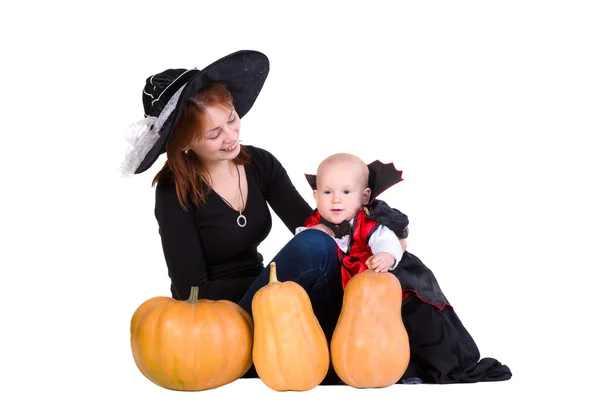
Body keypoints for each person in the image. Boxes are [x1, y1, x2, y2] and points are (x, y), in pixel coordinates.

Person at [121, 49, 511, 385]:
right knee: (312, 244)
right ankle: (307, 349)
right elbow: (189, 288)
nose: (230, 136)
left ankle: (358, 347)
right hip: (226, 315)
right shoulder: (174, 190)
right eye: (213, 134)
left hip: (277, 292)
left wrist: (375, 231)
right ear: (185, 141)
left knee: (341, 247)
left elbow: (316, 222)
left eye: (233, 120)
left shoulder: (259, 163)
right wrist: (252, 315)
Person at [301, 153, 513, 384]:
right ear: (316, 196)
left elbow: (387, 240)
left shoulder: (370, 222)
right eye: (327, 192)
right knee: (356, 328)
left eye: (346, 192)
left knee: (400, 323)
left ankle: (411, 366)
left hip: (378, 280)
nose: (336, 200)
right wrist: (312, 235)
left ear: (364, 196)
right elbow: (303, 244)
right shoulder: (315, 224)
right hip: (344, 290)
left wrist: (386, 255)